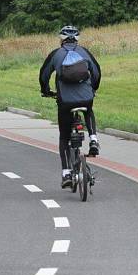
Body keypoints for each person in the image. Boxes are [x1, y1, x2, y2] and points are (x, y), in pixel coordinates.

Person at [39, 25, 101, 189]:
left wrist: (45, 90)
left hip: (65, 101)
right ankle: (93, 139)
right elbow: (97, 72)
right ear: (77, 39)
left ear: (61, 39)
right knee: (89, 110)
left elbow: (44, 75)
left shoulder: (56, 54)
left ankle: (66, 173)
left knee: (64, 137)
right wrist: (93, 88)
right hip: (86, 97)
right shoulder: (84, 52)